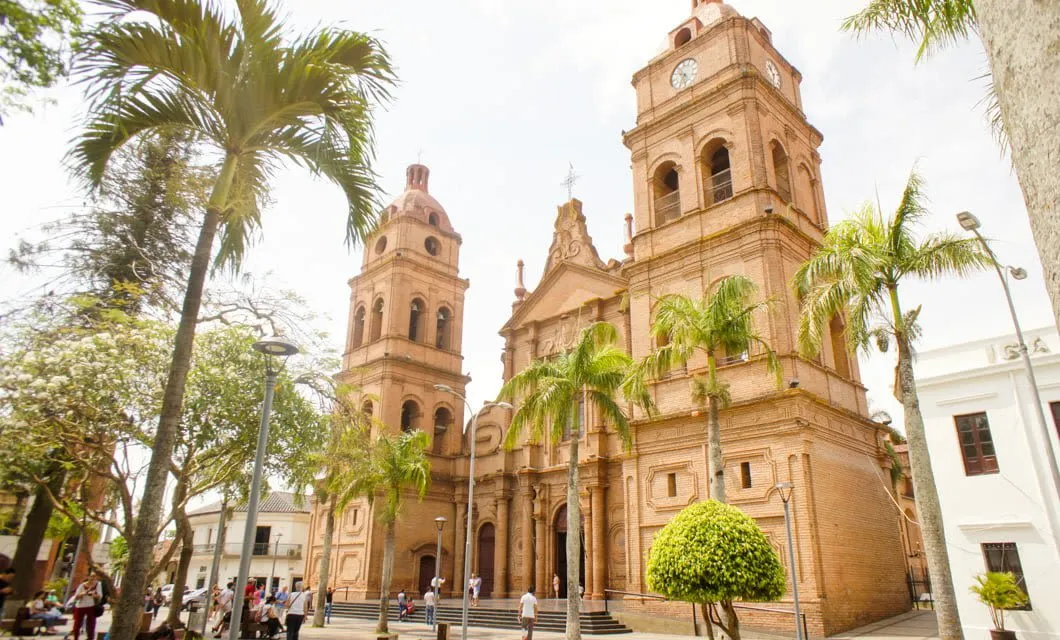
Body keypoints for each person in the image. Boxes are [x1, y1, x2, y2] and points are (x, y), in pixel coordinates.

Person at [70, 573, 103, 640]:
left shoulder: (98, 584)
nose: (93, 578)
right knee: (77, 624)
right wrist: (83, 593)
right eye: (91, 576)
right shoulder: (82, 585)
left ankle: (90, 638)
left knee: (91, 624)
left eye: (94, 577)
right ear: (88, 577)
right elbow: (76, 596)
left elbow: (100, 596)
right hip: (80, 606)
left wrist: (93, 595)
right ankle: (76, 637)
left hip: (91, 606)